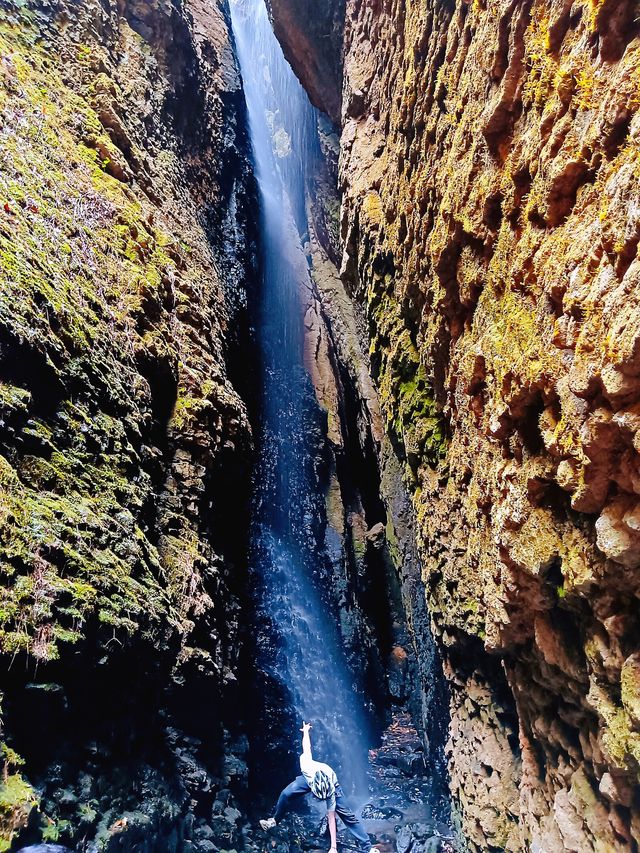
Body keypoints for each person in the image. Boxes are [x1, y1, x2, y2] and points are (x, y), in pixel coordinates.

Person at [259, 722, 376, 853]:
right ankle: (275, 820)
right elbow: (307, 747)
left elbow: (331, 817)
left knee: (348, 816)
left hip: (332, 785)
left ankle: (368, 848)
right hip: (308, 780)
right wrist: (306, 732)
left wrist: (333, 848)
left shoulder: (331, 789)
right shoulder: (306, 766)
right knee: (286, 794)